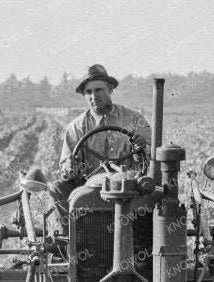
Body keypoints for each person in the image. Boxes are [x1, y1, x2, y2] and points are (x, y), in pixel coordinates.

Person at [52, 65, 152, 219]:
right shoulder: (77, 127)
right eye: (88, 92)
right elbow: (67, 168)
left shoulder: (134, 120)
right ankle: (67, 239)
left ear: (110, 89)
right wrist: (70, 167)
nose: (93, 96)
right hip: (90, 187)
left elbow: (150, 158)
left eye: (98, 90)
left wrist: (142, 149)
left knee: (159, 191)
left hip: (130, 187)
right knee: (57, 188)